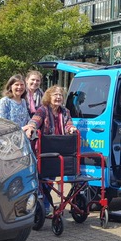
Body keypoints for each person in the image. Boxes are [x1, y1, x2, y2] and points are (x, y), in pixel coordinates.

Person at [25, 85, 77, 214]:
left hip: (59, 147)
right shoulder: (43, 110)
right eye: (55, 95)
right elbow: (35, 120)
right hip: (44, 148)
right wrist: (31, 127)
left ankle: (46, 205)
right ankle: (44, 205)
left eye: (60, 95)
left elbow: (68, 123)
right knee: (44, 178)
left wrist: (71, 128)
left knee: (51, 178)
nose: (58, 97)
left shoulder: (65, 111)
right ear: (49, 96)